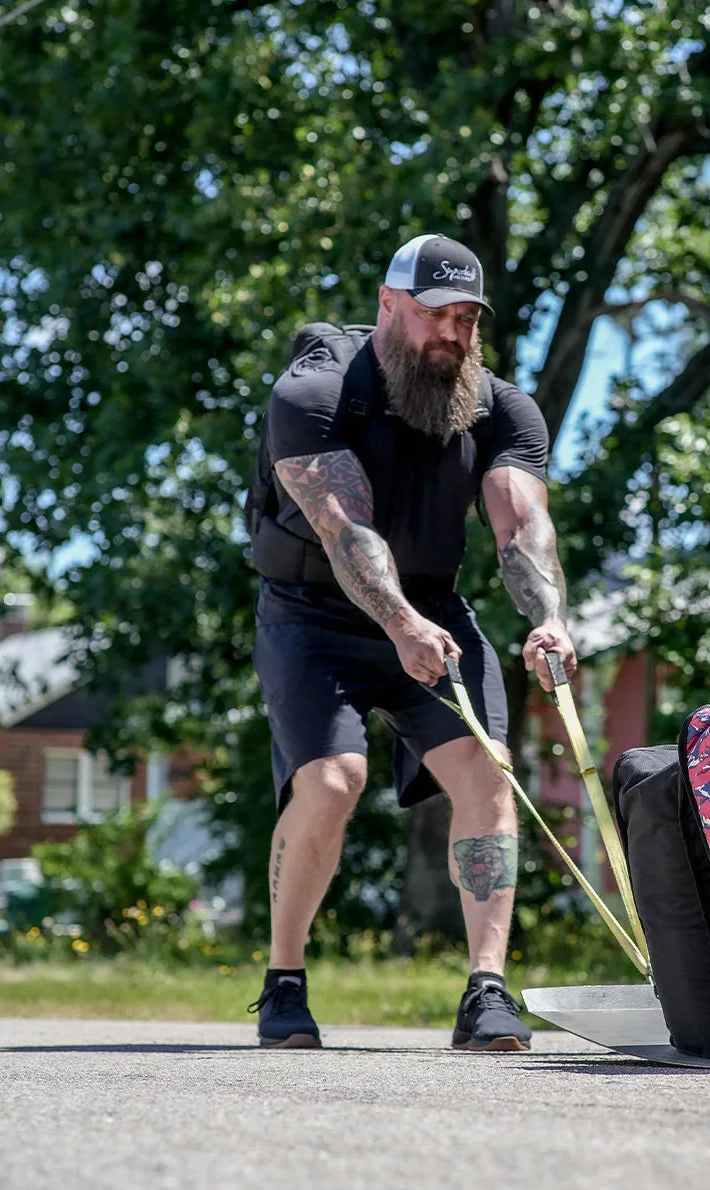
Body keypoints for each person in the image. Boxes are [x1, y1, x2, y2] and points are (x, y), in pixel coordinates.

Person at [245, 233, 577, 1051]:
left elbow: (522, 529)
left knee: (488, 772)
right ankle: (284, 980)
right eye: (436, 315)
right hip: (314, 613)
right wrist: (397, 625)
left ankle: (487, 993)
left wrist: (548, 617)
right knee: (331, 780)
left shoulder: (501, 407)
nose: (452, 335)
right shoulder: (316, 389)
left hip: (434, 607)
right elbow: (346, 529)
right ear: (389, 305)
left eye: (467, 318)